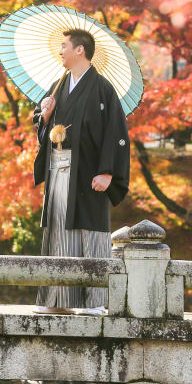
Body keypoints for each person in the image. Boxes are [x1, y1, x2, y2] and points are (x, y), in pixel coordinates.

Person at [33, 29, 130, 315]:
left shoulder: (102, 88)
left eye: (64, 46)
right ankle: (57, 300)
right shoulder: (58, 86)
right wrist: (45, 116)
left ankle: (94, 301)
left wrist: (108, 172)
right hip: (59, 169)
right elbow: (45, 132)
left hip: (88, 173)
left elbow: (117, 132)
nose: (60, 51)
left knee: (91, 233)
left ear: (80, 51)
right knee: (58, 232)